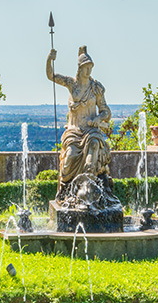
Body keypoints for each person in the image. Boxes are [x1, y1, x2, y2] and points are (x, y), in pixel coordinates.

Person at [46, 46, 112, 198]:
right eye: (85, 67)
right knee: (69, 158)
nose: (88, 71)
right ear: (80, 68)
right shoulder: (72, 84)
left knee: (94, 149)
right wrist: (50, 59)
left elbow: (106, 111)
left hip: (91, 132)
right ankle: (65, 193)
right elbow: (51, 76)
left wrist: (98, 118)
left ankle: (90, 195)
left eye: (90, 67)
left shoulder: (96, 88)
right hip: (74, 132)